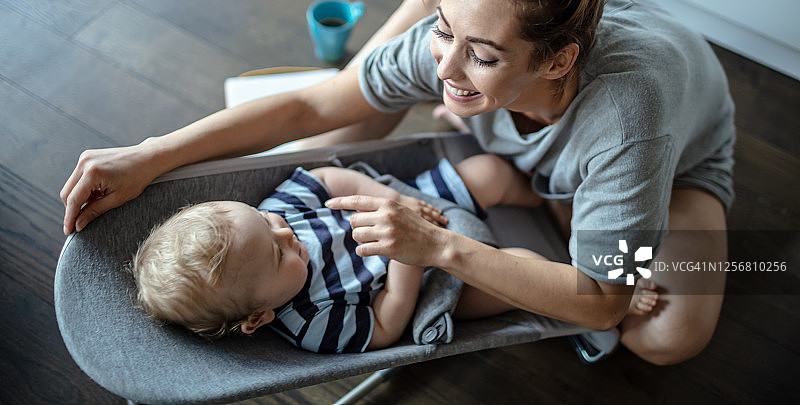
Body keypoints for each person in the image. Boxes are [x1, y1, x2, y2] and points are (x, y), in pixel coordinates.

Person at [61, 0, 734, 365]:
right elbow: (314, 104)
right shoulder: (453, 56)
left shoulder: (628, 115)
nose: (446, 69)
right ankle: (447, 17)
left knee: (663, 337)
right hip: (523, 121)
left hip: (675, 161)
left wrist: (437, 247)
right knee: (340, 123)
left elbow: (604, 304)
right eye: (446, 32)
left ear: (558, 61)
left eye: (482, 53)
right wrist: (152, 153)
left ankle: (578, 200)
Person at [132, 156, 541, 352]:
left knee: (490, 172)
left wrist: (395, 200)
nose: (284, 231)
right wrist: (408, 257)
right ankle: (576, 279)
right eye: (277, 254)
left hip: (409, 210)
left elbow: (328, 178)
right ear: (258, 316)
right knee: (527, 268)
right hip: (425, 283)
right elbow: (385, 324)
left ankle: (556, 202)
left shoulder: (278, 214)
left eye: (264, 218)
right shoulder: (312, 322)